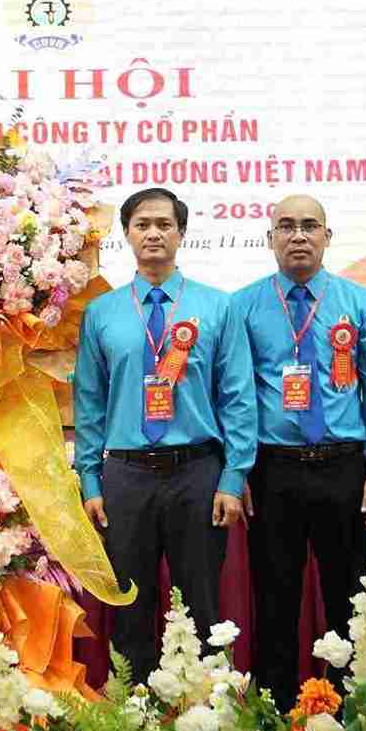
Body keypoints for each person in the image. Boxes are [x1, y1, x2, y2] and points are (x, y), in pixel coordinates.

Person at [73, 187, 257, 680]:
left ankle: (204, 726)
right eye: (142, 225)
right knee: (129, 608)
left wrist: (233, 478)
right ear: (127, 234)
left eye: (164, 224)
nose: (154, 233)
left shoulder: (217, 308)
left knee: (201, 606)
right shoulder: (102, 313)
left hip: (197, 472)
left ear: (181, 233)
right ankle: (130, 723)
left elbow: (238, 397)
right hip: (126, 477)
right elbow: (88, 404)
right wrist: (90, 481)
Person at [238, 194, 366, 711]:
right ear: (270, 239)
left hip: (344, 466)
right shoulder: (242, 305)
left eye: (310, 226)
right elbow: (235, 397)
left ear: (328, 237)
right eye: (286, 226)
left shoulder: (359, 303)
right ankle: (277, 720)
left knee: (349, 600)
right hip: (274, 470)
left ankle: (354, 721)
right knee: (275, 600)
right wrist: (236, 469)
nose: (299, 236)